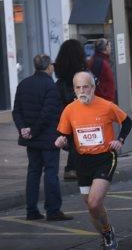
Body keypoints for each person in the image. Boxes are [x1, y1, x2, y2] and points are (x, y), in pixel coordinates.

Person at [55, 72, 132, 250]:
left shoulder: (106, 106)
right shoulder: (69, 110)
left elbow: (127, 121)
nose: (82, 91)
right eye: (78, 87)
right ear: (74, 89)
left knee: (94, 201)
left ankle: (107, 235)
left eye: (86, 86)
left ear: (93, 87)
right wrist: (61, 141)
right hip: (83, 162)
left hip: (105, 158)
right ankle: (107, 234)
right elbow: (64, 135)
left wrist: (119, 140)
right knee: (92, 207)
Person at [12, 54, 72, 221]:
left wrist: (23, 129)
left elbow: (16, 111)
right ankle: (53, 210)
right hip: (48, 138)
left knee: (33, 173)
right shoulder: (50, 86)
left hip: (32, 140)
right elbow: (47, 114)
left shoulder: (23, 84)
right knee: (51, 173)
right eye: (52, 65)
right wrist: (32, 130)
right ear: (48, 67)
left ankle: (31, 210)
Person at [54, 38, 87, 180]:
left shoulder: (61, 75)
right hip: (76, 109)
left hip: (63, 110)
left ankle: (72, 167)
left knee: (74, 138)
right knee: (78, 137)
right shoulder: (81, 75)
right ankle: (73, 168)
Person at [88, 38, 116, 103]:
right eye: (109, 46)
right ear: (105, 48)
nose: (110, 48)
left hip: (105, 99)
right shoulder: (99, 62)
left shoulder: (101, 60)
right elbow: (95, 82)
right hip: (104, 100)